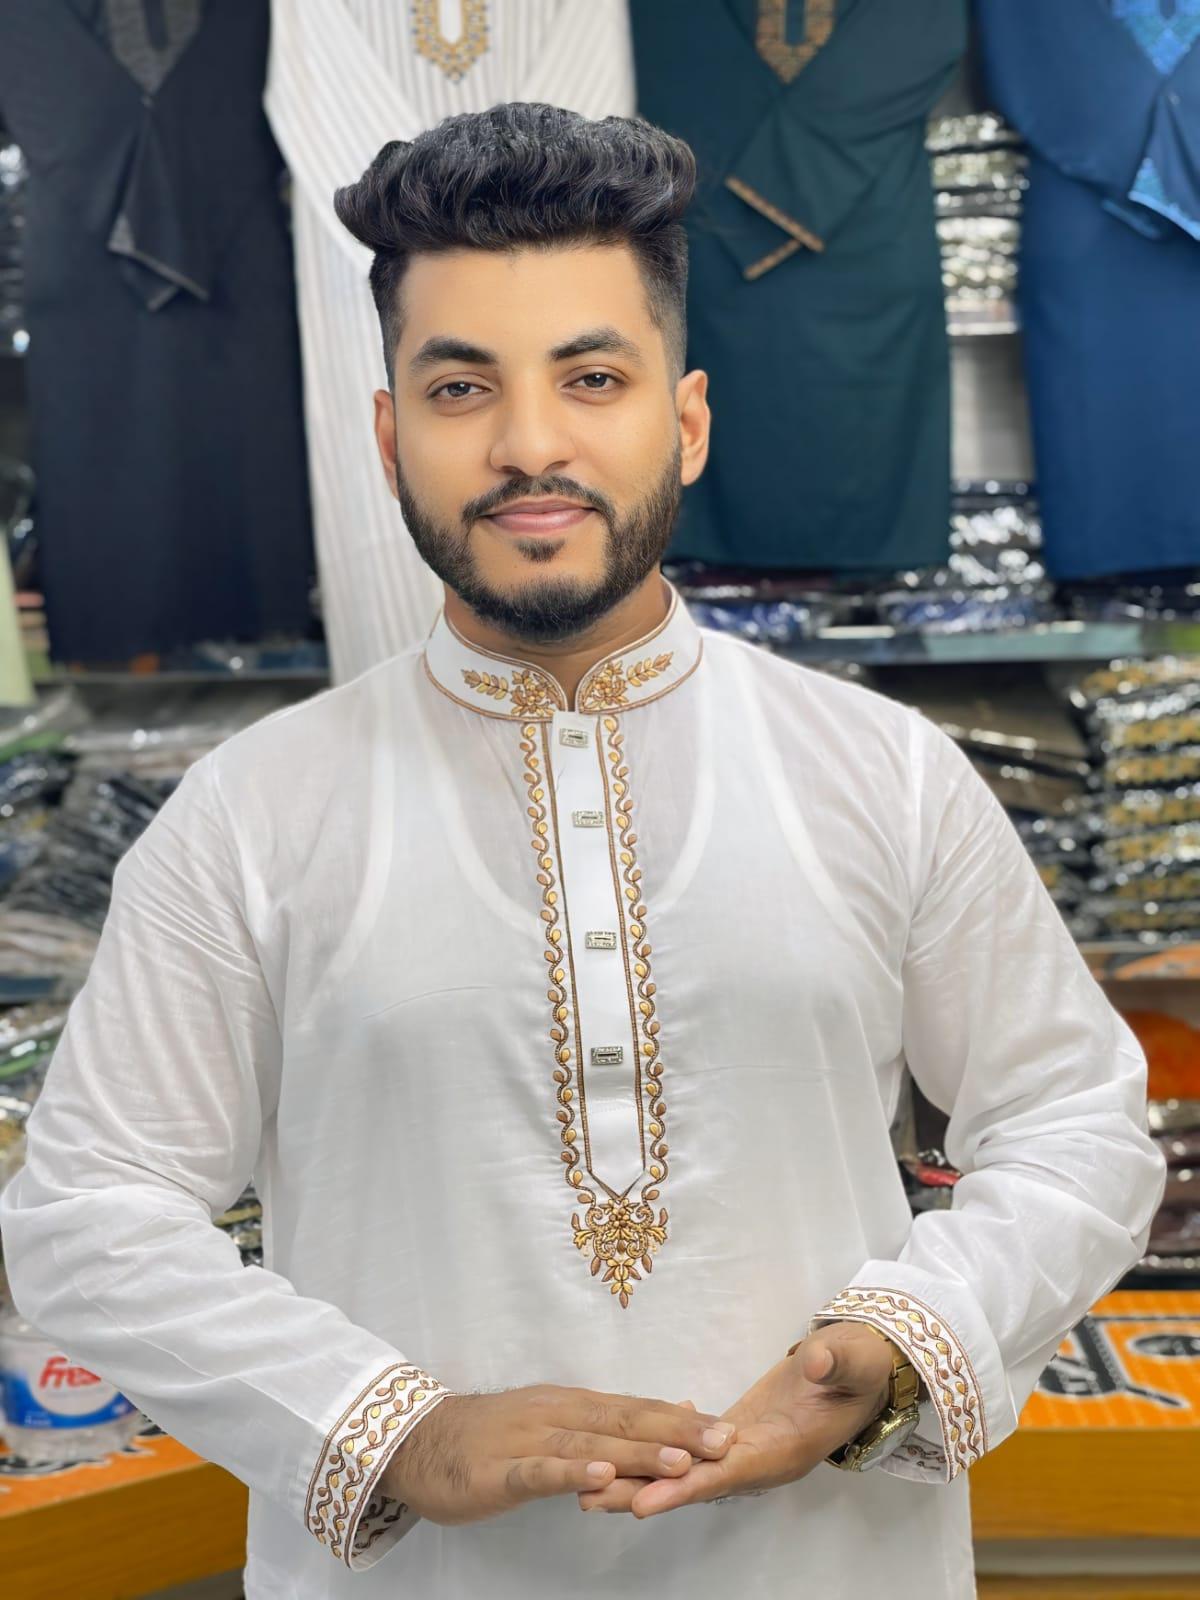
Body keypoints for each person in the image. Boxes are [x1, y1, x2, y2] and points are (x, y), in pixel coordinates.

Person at [0, 103, 1166, 1600]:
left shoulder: (883, 772)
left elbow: (1074, 1121)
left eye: (592, 378)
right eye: (461, 387)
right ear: (390, 437)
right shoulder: (248, 816)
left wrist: (895, 1345)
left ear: (687, 421)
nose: (529, 444)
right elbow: (90, 1214)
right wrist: (389, 1430)